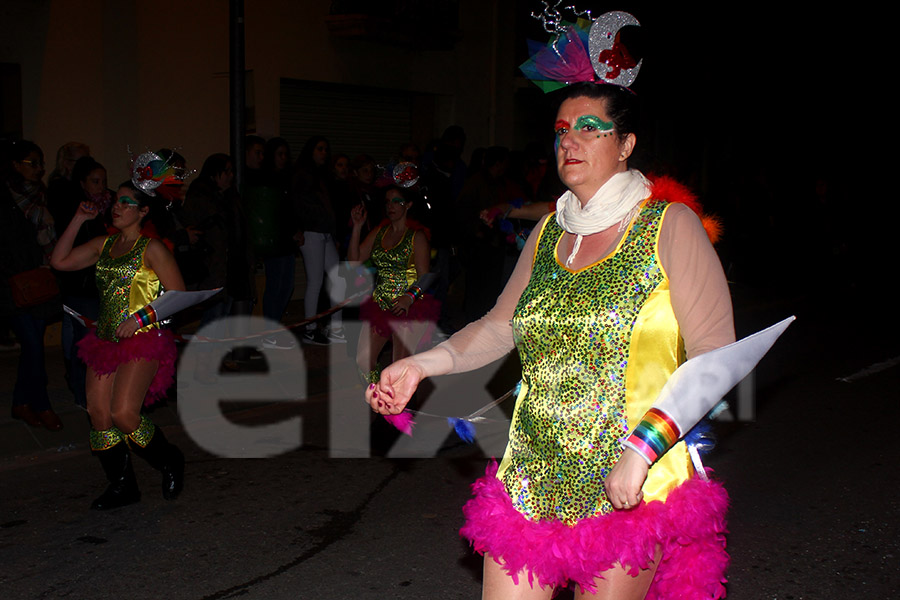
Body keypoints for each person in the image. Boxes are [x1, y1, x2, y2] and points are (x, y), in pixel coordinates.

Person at [365, 81, 735, 599]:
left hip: (628, 477)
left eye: (589, 127)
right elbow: (499, 325)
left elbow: (716, 355)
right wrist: (421, 365)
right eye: (562, 130)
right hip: (532, 475)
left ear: (626, 144)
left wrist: (645, 448)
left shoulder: (669, 226)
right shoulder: (548, 233)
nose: (569, 141)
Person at [50, 180, 186, 510]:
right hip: (105, 340)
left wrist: (139, 320)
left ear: (143, 211)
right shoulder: (103, 245)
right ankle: (123, 485)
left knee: (124, 414)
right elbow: (59, 261)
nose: (118, 207)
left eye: (127, 203)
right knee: (98, 414)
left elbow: (179, 296)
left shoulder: (153, 249)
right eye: (116, 201)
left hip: (143, 340)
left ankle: (170, 460)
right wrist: (79, 219)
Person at [1, 140, 63, 431]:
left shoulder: (41, 195)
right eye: (32, 163)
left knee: (33, 346)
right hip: (14, 284)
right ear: (15, 165)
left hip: (40, 281)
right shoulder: (6, 197)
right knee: (34, 347)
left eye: (41, 163)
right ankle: (41, 404)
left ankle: (20, 403)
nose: (39, 169)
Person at [348, 186, 438, 383]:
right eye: (388, 201)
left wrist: (408, 297)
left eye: (397, 201)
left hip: (409, 307)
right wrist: (357, 227)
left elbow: (426, 276)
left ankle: (400, 411)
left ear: (408, 205)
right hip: (380, 304)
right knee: (363, 361)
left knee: (400, 369)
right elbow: (354, 262)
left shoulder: (417, 236)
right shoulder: (379, 232)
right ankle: (380, 402)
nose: (391, 206)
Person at [49, 156, 112, 407]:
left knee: (99, 342)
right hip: (80, 287)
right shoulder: (77, 209)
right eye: (95, 181)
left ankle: (97, 391)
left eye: (104, 181)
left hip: (100, 287)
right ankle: (81, 391)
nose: (101, 186)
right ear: (83, 183)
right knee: (84, 342)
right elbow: (65, 255)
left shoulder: (110, 207)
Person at [293, 135, 346, 345]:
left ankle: (336, 328)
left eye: (326, 149)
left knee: (337, 278)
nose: (324, 153)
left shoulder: (321, 175)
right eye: (320, 149)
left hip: (324, 232)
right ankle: (310, 329)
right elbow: (297, 204)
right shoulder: (302, 174)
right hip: (312, 232)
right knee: (315, 281)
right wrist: (301, 227)